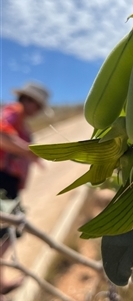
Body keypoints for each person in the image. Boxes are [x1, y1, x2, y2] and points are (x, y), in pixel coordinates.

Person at [0, 82, 51, 300]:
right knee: (13, 226)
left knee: (11, 228)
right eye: (38, 106)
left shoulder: (21, 122)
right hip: (3, 180)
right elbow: (2, 136)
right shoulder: (13, 112)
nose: (37, 111)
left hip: (9, 182)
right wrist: (31, 153)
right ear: (28, 101)